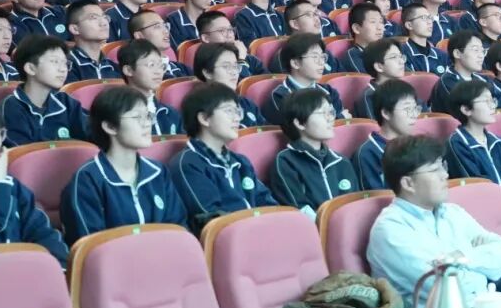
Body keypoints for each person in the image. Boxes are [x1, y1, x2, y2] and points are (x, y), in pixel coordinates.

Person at [367, 134, 501, 308]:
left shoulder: (453, 212)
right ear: (408, 183)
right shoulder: (390, 229)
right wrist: (481, 271)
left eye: (442, 166)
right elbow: (445, 285)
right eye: (435, 170)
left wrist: (463, 257)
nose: (445, 175)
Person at [59, 85, 187, 244]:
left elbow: (178, 228)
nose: (147, 124)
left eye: (147, 116)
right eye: (137, 117)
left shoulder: (158, 172)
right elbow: (90, 246)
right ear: (110, 127)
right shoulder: (87, 180)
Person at [0, 92, 68, 264]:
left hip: (24, 272)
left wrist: (58, 267)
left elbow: (41, 231)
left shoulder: (9, 183)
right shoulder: (1, 182)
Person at [169, 81, 278, 230]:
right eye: (229, 111)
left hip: (258, 232)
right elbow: (212, 217)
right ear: (204, 118)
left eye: (237, 111)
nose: (237, 118)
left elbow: (267, 203)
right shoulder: (188, 163)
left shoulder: (241, 162)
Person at [269, 87, 359, 219]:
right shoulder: (285, 162)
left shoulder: (341, 161)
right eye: (323, 113)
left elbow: (355, 205)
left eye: (331, 112)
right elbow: (300, 210)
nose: (330, 118)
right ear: (300, 123)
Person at [3, 35, 89, 145]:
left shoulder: (66, 102)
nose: (63, 69)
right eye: (54, 61)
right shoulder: (11, 107)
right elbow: (20, 152)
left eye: (65, 63)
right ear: (30, 68)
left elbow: (93, 133)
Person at [446, 80, 501, 183]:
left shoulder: (498, 142)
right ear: (466, 109)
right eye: (486, 101)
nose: (493, 106)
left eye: (492, 100)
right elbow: (476, 184)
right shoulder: (457, 144)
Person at [352, 79, 421, 191]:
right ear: (386, 113)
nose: (414, 115)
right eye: (407, 109)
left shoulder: (417, 145)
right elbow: (376, 197)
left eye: (415, 108)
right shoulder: (368, 154)